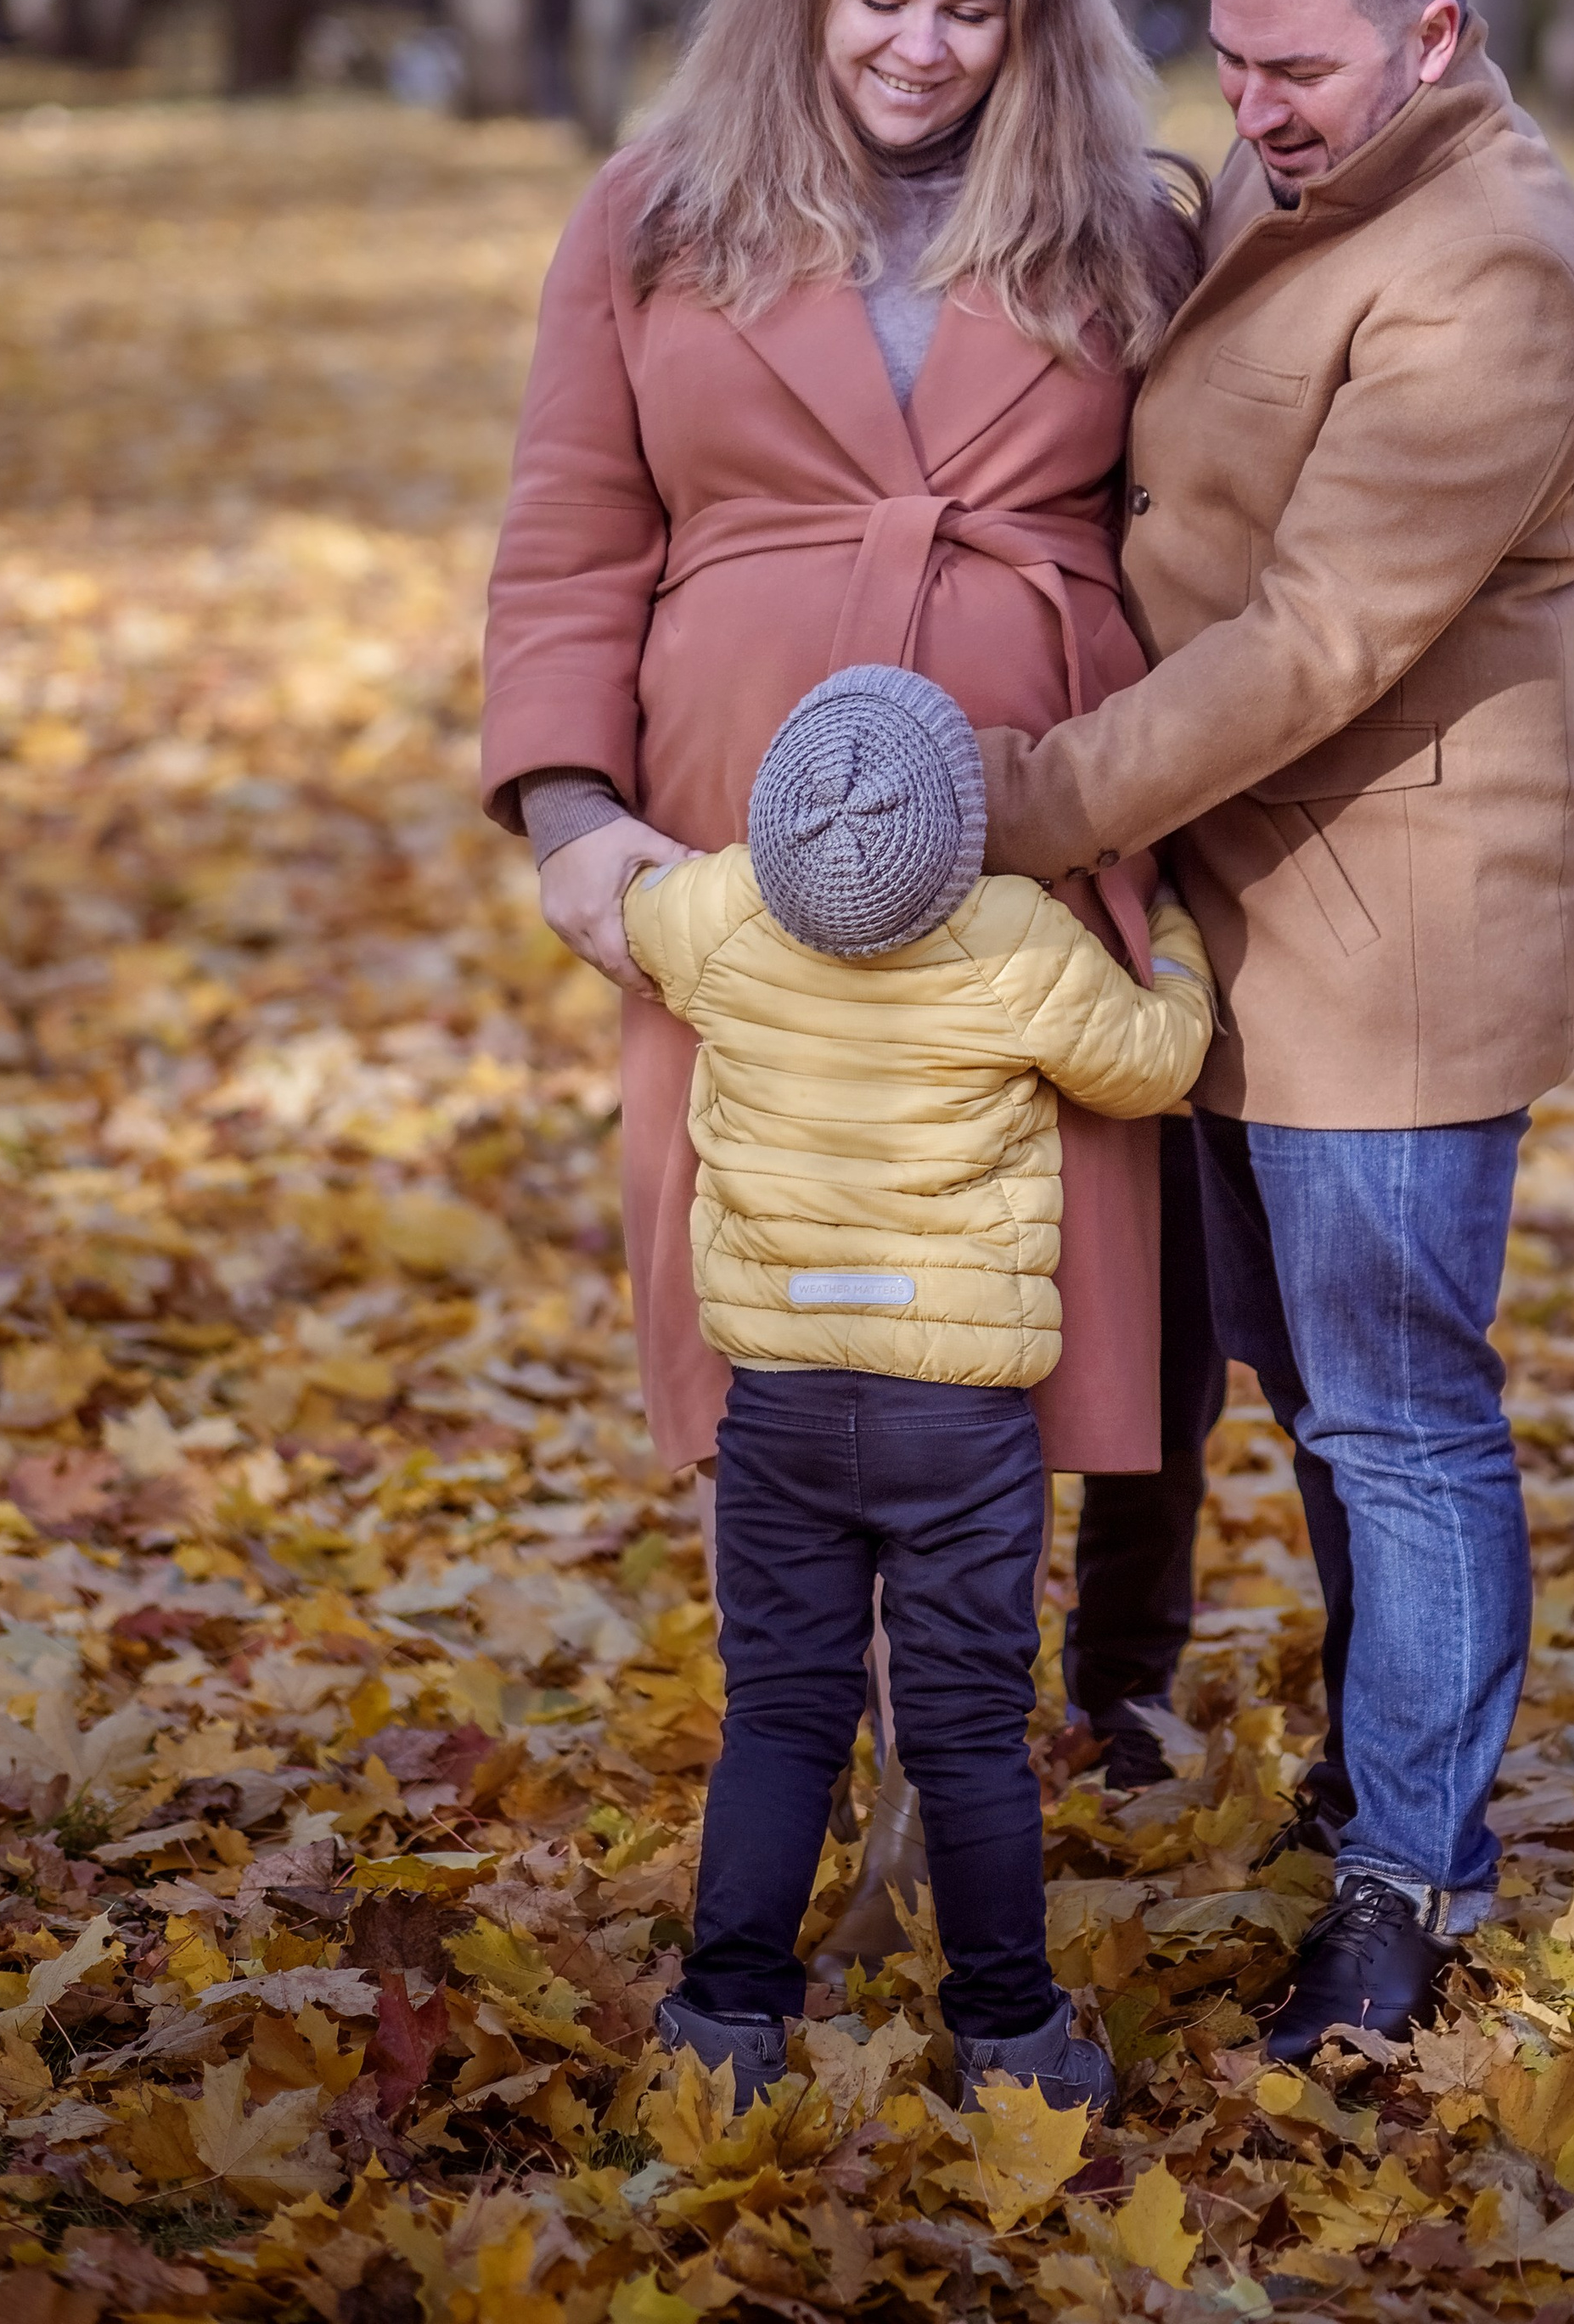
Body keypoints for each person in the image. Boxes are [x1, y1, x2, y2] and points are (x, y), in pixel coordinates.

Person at [481, 0, 1209, 1911]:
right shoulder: (656, 216)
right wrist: (567, 815)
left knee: (1026, 1266)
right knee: (766, 1256)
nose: (915, 45)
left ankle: (998, 1718)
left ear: (1029, 14)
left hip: (1030, 826)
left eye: (966, 8)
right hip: (725, 844)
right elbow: (567, 537)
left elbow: (1212, 533)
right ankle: (799, 1700)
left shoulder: (1116, 226)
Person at [975, 0, 1574, 2056]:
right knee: (1314, 1398)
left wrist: (1023, 800)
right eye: (1230, 57)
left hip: (1398, 938)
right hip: (1239, 915)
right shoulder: (1307, 168)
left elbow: (1316, 638)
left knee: (1401, 1424)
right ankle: (1378, 1784)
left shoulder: (1495, 268)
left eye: (1301, 68)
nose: (1252, 105)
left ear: (1435, 33)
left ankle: (1410, 1889)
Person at [626, 665, 1211, 2105]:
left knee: (778, 1712)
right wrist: (1177, 939)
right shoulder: (1011, 936)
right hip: (957, 1417)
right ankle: (1011, 2033)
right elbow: (1154, 1065)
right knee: (962, 1727)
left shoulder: (719, 915)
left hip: (781, 1403)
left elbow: (627, 914)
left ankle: (728, 2024)